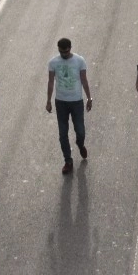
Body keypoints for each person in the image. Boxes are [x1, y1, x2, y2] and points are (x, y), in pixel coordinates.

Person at [46, 38, 93, 174]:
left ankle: (80, 143)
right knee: (62, 133)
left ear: (70, 48)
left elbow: (84, 80)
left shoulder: (79, 61)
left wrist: (89, 98)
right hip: (60, 102)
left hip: (76, 101)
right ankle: (68, 160)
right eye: (61, 52)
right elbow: (50, 82)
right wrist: (48, 100)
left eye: (66, 52)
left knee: (80, 130)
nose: (64, 54)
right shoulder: (53, 63)